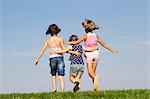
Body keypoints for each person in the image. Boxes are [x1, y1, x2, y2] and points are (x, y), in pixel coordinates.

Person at [67, 19, 118, 91]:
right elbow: (103, 44)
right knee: (93, 73)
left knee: (91, 73)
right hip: (96, 54)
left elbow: (77, 42)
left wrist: (66, 42)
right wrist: (112, 50)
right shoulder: (95, 36)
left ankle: (96, 77)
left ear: (85, 29)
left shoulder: (85, 36)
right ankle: (96, 89)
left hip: (89, 55)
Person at [34, 24, 66, 92]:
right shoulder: (60, 39)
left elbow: (42, 50)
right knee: (61, 75)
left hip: (52, 58)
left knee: (53, 73)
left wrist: (37, 59)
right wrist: (71, 52)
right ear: (57, 31)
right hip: (60, 57)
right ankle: (62, 90)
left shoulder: (48, 41)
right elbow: (64, 49)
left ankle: (54, 88)